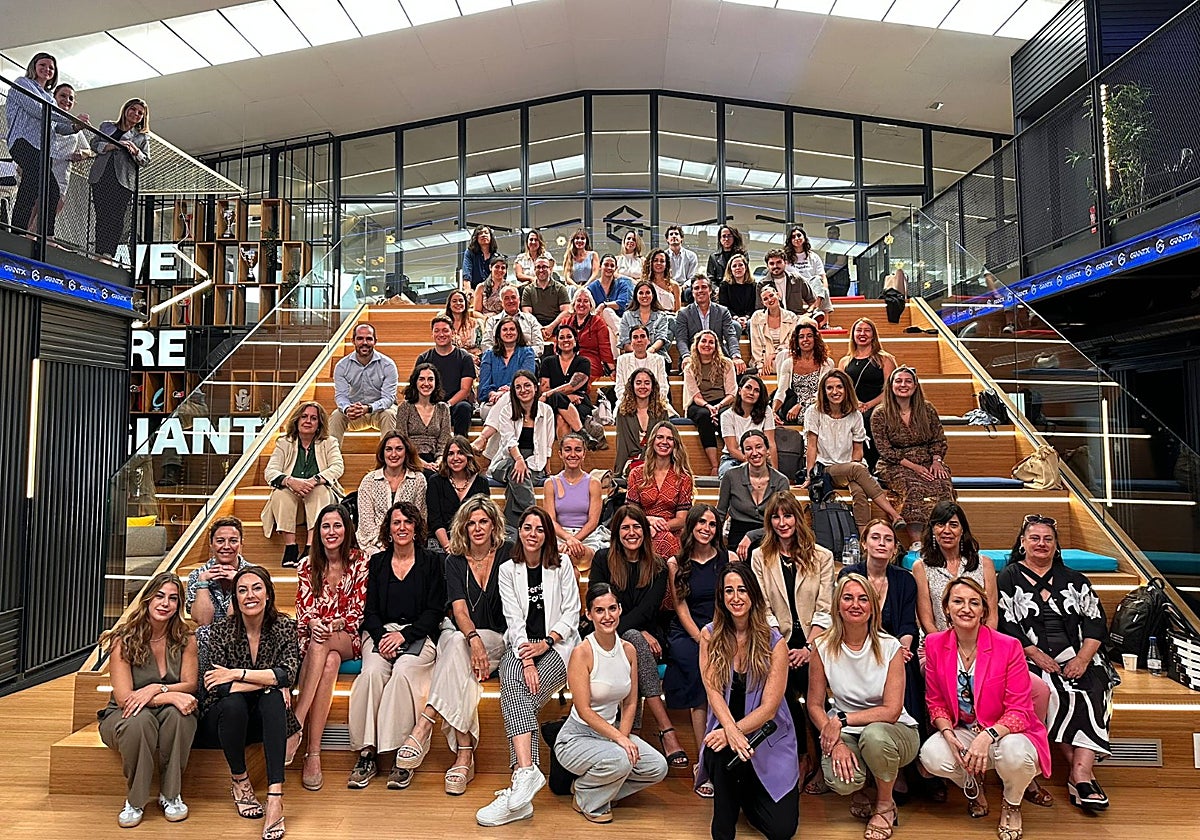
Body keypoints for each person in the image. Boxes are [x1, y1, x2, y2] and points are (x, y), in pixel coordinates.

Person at [920, 577, 1051, 840]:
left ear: (983, 610)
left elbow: (1020, 710)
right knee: (932, 755)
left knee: (1015, 754)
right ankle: (973, 785)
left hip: (1006, 731)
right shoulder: (934, 644)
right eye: (958, 601)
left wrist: (987, 736)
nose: (966, 608)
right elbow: (935, 702)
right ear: (946, 608)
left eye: (974, 603)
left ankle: (1012, 804)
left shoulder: (1008, 646)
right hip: (964, 729)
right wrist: (948, 733)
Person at [997, 514, 1113, 812]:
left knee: (1094, 688)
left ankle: (1080, 773)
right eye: (1034, 538)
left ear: (1056, 544)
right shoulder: (1008, 577)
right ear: (1022, 543)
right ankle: (1082, 775)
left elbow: (1096, 622)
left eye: (1048, 539)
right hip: (1029, 656)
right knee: (1052, 693)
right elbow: (1005, 625)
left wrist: (1083, 659)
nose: (1041, 544)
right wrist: (1035, 654)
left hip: (1080, 655)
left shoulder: (1076, 579)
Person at [477, 506, 581, 827]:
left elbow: (572, 613)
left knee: (516, 696)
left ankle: (521, 781)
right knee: (514, 684)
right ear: (519, 531)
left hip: (558, 645)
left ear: (547, 534)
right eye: (527, 527)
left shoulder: (562, 564)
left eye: (539, 529)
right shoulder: (508, 569)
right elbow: (513, 618)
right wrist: (526, 659)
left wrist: (545, 644)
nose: (532, 534)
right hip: (522, 644)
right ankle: (525, 778)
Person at [808, 574, 920, 840]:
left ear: (872, 607)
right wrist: (836, 742)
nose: (855, 605)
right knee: (840, 780)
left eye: (863, 599)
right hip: (847, 731)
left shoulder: (891, 646)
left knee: (874, 735)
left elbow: (891, 711)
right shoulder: (821, 647)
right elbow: (814, 704)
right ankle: (861, 788)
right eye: (848, 598)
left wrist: (841, 720)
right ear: (837, 605)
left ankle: (885, 805)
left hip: (895, 730)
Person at [411, 496, 510, 795]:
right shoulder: (454, 561)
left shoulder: (508, 554)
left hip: (498, 638)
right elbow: (459, 611)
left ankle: (426, 721)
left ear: (493, 525)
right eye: (471, 523)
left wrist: (477, 640)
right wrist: (473, 639)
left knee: (455, 651)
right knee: (456, 647)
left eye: (483, 522)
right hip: (465, 637)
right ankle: (464, 754)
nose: (477, 528)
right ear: (463, 528)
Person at [695, 562, 800, 840]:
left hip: (767, 736)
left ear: (753, 594)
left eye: (742, 590)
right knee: (718, 747)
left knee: (782, 830)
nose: (736, 597)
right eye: (728, 591)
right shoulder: (709, 635)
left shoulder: (775, 642)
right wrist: (729, 731)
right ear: (721, 597)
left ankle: (743, 793)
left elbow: (769, 709)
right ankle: (723, 828)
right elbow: (712, 691)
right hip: (727, 730)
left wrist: (733, 731)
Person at [347, 502, 446, 790]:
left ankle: (403, 755)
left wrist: (404, 636)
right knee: (371, 674)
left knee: (403, 672)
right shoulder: (377, 563)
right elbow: (370, 611)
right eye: (396, 522)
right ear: (388, 529)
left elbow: (434, 611)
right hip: (380, 633)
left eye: (407, 522)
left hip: (418, 634)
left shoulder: (432, 562)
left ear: (416, 528)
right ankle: (367, 753)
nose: (402, 527)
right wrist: (382, 637)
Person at [199, 566, 300, 840]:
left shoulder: (284, 626)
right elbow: (216, 685)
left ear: (268, 594)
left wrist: (236, 674)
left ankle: (275, 797)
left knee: (273, 699)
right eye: (242, 590)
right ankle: (240, 780)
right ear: (235, 598)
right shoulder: (221, 630)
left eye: (256, 588)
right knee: (235, 702)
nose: (250, 595)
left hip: (263, 719)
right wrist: (269, 681)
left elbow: (288, 674)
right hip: (223, 720)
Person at [556, 582, 669, 822]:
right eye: (599, 610)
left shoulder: (629, 650)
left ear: (619, 610)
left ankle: (596, 789)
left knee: (657, 767)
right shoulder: (582, 652)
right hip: (577, 737)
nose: (607, 616)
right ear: (589, 614)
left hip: (612, 731)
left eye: (612, 608)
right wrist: (619, 741)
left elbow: (630, 702)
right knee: (621, 759)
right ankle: (589, 799)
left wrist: (623, 737)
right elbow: (584, 710)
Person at [97, 572, 198, 828]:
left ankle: (171, 795)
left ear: (179, 604)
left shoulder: (186, 639)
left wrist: (155, 689)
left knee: (180, 716)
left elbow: (190, 684)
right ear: (148, 599)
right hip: (124, 714)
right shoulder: (124, 640)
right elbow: (125, 699)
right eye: (159, 596)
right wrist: (170, 694)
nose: (165, 603)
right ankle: (135, 800)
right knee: (139, 723)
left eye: (173, 598)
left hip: (166, 710)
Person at [751, 490, 834, 795]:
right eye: (776, 517)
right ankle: (800, 758)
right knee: (781, 694)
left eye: (787, 515)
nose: (782, 522)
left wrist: (809, 648)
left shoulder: (822, 556)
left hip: (816, 642)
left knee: (816, 696)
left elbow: (825, 608)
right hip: (778, 643)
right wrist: (782, 649)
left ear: (798, 518)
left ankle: (823, 761)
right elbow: (763, 608)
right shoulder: (760, 556)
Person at [590, 506, 681, 766]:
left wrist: (636, 631)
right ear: (617, 533)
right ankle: (664, 729)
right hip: (605, 636)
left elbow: (648, 610)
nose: (631, 533)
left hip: (647, 636)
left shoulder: (658, 566)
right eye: (625, 528)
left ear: (645, 531)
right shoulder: (602, 559)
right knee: (634, 638)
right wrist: (637, 631)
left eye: (637, 527)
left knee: (633, 643)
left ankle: (631, 734)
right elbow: (599, 603)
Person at [290, 504, 368, 791]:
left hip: (347, 636)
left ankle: (296, 722)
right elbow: (303, 610)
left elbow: (358, 611)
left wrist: (333, 624)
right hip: (315, 638)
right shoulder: (305, 565)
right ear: (318, 532)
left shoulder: (360, 561)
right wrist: (314, 623)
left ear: (347, 529)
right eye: (325, 526)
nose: (331, 532)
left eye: (337, 525)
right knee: (330, 661)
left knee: (324, 643)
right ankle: (313, 754)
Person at [840, 520, 923, 780]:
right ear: (864, 543)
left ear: (895, 548)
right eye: (875, 538)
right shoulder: (849, 575)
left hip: (895, 649)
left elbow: (908, 624)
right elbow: (844, 618)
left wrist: (902, 649)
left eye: (888, 539)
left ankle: (904, 763)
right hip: (857, 648)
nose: (881, 543)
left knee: (909, 671)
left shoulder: (905, 580)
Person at [665, 504, 735, 795]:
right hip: (689, 632)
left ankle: (730, 753)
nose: (707, 529)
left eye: (712, 524)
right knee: (699, 672)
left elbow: (732, 602)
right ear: (691, 526)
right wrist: (701, 638)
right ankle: (703, 762)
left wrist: (719, 635)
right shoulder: (676, 563)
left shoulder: (728, 559)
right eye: (701, 523)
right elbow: (680, 607)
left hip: (724, 629)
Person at [804, 369, 904, 530]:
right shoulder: (814, 412)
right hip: (826, 469)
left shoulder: (855, 415)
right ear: (823, 391)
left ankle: (863, 539)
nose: (835, 392)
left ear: (846, 389)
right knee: (857, 470)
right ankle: (894, 514)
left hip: (852, 467)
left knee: (859, 491)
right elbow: (811, 446)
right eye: (829, 388)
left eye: (839, 387)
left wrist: (851, 469)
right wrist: (810, 476)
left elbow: (858, 451)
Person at [871, 367, 954, 549]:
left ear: (915, 386)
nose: (903, 385)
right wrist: (914, 467)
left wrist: (936, 461)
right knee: (913, 487)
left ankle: (941, 540)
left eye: (908, 381)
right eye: (898, 381)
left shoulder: (927, 409)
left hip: (927, 460)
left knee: (942, 485)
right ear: (891, 385)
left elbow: (938, 439)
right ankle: (916, 542)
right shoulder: (880, 413)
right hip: (894, 463)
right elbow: (885, 449)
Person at [5, 53, 87, 236]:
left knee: (47, 191)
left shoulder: (50, 97)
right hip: (23, 141)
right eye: (43, 65)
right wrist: (72, 119)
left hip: (43, 149)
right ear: (33, 66)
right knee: (36, 185)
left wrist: (75, 127)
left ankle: (33, 234)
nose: (47, 69)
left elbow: (57, 126)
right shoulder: (22, 83)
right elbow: (38, 110)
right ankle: (19, 231)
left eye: (51, 67)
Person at [261, 400, 343, 568]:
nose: (308, 421)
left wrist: (314, 480)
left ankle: (311, 547)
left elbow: (337, 467)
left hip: (319, 500)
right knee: (281, 493)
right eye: (304, 417)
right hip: (294, 505)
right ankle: (290, 548)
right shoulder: (284, 442)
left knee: (319, 490)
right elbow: (270, 471)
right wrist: (290, 481)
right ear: (297, 420)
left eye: (314, 418)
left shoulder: (329, 442)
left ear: (319, 423)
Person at [477, 370, 555, 529]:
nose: (523, 390)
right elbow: (509, 440)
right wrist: (519, 460)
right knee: (517, 471)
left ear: (535, 387)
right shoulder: (507, 411)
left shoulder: (546, 411)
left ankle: (511, 529)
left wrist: (547, 469)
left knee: (517, 479)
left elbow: (548, 444)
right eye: (518, 387)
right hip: (506, 461)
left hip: (534, 462)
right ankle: (534, 517)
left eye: (527, 385)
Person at [912, 501, 999, 638]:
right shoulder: (921, 567)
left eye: (953, 525)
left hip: (981, 642)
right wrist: (946, 645)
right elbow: (926, 621)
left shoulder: (985, 564)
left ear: (962, 530)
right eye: (941, 524)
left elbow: (992, 617)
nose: (947, 530)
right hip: (939, 642)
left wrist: (977, 645)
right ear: (933, 529)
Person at [90, 97, 150, 257]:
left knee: (116, 217)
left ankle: (108, 253)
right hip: (101, 175)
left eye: (140, 113)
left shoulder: (142, 137)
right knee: (102, 215)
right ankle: (99, 252)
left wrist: (135, 151)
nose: (136, 114)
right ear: (125, 109)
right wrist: (112, 146)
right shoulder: (106, 126)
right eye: (133, 109)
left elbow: (146, 161)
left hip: (123, 181)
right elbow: (94, 144)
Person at [626, 421, 694, 559]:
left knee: (664, 538)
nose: (664, 442)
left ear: (675, 444)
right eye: (660, 437)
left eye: (670, 439)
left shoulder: (683, 477)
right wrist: (648, 522)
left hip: (672, 530)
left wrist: (658, 527)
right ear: (653, 441)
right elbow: (630, 513)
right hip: (640, 527)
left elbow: (682, 520)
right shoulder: (636, 473)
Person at [838, 318, 898, 473]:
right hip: (852, 405)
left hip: (878, 406)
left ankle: (873, 467)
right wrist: (856, 403)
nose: (862, 334)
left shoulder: (885, 359)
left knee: (868, 418)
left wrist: (869, 405)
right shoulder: (845, 361)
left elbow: (890, 389)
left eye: (867, 330)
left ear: (873, 335)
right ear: (853, 335)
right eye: (859, 330)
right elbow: (840, 388)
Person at [718, 430, 790, 556]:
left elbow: (783, 519)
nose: (755, 453)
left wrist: (751, 536)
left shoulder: (781, 481)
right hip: (737, 535)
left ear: (767, 450)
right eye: (748, 449)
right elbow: (720, 513)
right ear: (744, 453)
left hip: (770, 534)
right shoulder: (730, 476)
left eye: (759, 447)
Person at [355, 432, 428, 555]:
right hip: (374, 545)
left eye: (399, 449)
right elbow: (366, 526)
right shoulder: (369, 481)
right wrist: (384, 546)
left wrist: (401, 543)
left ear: (406, 452)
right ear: (382, 453)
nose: (393, 454)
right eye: (389, 449)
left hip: (408, 543)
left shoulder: (418, 479)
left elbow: (420, 519)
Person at [544, 433, 608, 568]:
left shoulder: (594, 483)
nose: (573, 454)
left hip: (586, 538)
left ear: (584, 454)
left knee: (571, 557)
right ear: (560, 454)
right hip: (559, 538)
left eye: (578, 450)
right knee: (563, 559)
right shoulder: (550, 483)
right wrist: (568, 539)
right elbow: (551, 520)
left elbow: (593, 522)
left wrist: (574, 541)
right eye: (568, 450)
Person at [36, 83, 92, 236]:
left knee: (56, 206)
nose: (67, 100)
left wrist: (81, 153)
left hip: (62, 172)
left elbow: (88, 150)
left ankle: (43, 238)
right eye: (63, 96)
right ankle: (27, 238)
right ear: (54, 97)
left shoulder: (74, 124)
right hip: (44, 166)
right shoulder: (47, 116)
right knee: (36, 206)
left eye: (71, 98)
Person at [328, 323, 399, 443]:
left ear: (375, 341)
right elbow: (341, 396)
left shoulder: (388, 365)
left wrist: (369, 408)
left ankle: (388, 454)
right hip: (354, 413)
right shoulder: (342, 366)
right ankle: (331, 454)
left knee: (390, 414)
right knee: (336, 416)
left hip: (379, 412)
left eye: (369, 339)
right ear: (353, 341)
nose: (364, 342)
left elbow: (388, 398)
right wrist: (347, 409)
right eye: (360, 338)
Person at [539, 324, 605, 449]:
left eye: (569, 337)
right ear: (557, 341)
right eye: (562, 337)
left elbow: (572, 386)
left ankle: (566, 456)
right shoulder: (548, 362)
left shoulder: (583, 362)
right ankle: (582, 434)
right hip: (553, 403)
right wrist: (566, 397)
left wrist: (549, 394)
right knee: (557, 398)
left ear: (575, 340)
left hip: (579, 402)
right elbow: (544, 388)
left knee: (561, 418)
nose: (565, 340)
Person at [684, 329, 739, 475]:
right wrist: (709, 407)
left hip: (724, 402)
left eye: (711, 342)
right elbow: (695, 396)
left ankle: (732, 457)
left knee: (725, 415)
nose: (707, 345)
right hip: (700, 403)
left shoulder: (726, 363)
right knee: (704, 416)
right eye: (703, 341)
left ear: (716, 346)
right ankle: (714, 465)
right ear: (697, 344)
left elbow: (732, 393)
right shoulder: (690, 367)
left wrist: (718, 406)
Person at [425, 436, 491, 556]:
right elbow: (435, 520)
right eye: (451, 454)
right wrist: (447, 546)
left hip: (474, 540)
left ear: (468, 456)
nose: (455, 458)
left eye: (460, 453)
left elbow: (484, 517)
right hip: (442, 542)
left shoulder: (481, 482)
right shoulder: (435, 481)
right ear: (445, 457)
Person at [416, 315, 477, 437]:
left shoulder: (464, 358)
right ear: (432, 334)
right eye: (437, 331)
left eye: (445, 330)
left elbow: (465, 390)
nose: (441, 334)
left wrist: (446, 405)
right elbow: (418, 386)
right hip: (431, 404)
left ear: (453, 333)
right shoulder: (424, 358)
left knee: (464, 408)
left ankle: (460, 444)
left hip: (455, 404)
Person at [187, 516, 251, 627]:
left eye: (233, 541)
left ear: (241, 544)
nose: (226, 546)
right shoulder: (196, 575)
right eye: (220, 541)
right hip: (208, 636)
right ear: (211, 544)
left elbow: (236, 621)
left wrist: (239, 581)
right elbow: (203, 621)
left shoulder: (254, 575)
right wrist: (202, 583)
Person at [675, 275, 745, 374]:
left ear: (710, 290)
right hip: (693, 357)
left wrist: (736, 356)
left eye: (704, 287)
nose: (700, 290)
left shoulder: (723, 311)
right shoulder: (683, 314)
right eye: (696, 288)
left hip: (718, 356)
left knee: (738, 369)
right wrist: (686, 356)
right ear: (693, 292)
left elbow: (730, 336)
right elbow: (681, 339)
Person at [477, 315, 537, 425]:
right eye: (504, 330)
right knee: (489, 411)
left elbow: (526, 380)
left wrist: (505, 392)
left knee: (508, 410)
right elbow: (483, 386)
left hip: (519, 400)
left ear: (518, 332)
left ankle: (488, 434)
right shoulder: (489, 355)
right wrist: (492, 394)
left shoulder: (527, 353)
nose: (508, 332)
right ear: (499, 334)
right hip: (492, 402)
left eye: (512, 329)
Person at [773, 318, 835, 424]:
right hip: (792, 405)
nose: (805, 339)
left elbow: (823, 392)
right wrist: (773, 411)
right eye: (801, 337)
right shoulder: (788, 363)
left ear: (815, 339)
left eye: (809, 336)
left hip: (818, 403)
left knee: (811, 413)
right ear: (797, 341)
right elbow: (782, 391)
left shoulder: (827, 363)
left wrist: (801, 405)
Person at [613, 368, 671, 477]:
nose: (643, 386)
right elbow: (622, 445)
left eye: (647, 383)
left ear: (652, 387)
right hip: (632, 463)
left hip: (656, 461)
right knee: (638, 473)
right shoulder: (623, 412)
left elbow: (666, 442)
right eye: (638, 383)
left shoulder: (661, 411)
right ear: (632, 386)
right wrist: (617, 473)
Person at [394, 363, 451, 469]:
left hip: (435, 460)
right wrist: (423, 464)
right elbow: (402, 441)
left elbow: (444, 441)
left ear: (436, 383)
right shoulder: (405, 407)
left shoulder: (443, 408)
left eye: (430, 379)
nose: (426, 383)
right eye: (421, 379)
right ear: (415, 382)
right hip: (411, 459)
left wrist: (439, 461)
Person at [720, 374, 778, 477]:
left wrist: (774, 474)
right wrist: (751, 461)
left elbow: (771, 444)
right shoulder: (727, 415)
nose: (751, 393)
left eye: (756, 390)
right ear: (739, 390)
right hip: (733, 458)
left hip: (760, 457)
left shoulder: (766, 411)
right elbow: (732, 449)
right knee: (728, 474)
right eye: (748, 388)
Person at [749, 282, 801, 377]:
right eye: (765, 299)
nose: (770, 300)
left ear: (778, 295)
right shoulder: (757, 317)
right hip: (764, 361)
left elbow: (790, 343)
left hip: (785, 357)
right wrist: (760, 366)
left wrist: (774, 355)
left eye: (771, 295)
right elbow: (756, 345)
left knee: (785, 355)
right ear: (763, 303)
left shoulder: (791, 317)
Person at [588, 253, 636, 356]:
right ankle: (622, 338)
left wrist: (603, 305)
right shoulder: (592, 287)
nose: (609, 268)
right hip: (599, 323)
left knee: (610, 329)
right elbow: (591, 310)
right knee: (607, 313)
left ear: (616, 268)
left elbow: (622, 303)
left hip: (621, 321)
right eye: (606, 265)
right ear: (600, 266)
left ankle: (615, 361)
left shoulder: (622, 284)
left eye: (612, 265)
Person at [564, 287, 615, 381]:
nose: (581, 304)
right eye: (579, 300)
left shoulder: (598, 322)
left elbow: (605, 347)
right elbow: (557, 345)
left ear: (591, 305)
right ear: (574, 304)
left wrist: (612, 369)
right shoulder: (566, 322)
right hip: (567, 358)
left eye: (586, 301)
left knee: (581, 370)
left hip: (590, 361)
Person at [785, 226, 833, 325]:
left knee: (821, 286)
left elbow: (822, 276)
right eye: (793, 237)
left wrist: (825, 290)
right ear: (790, 240)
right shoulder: (786, 258)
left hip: (812, 286)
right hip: (795, 285)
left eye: (799, 235)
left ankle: (815, 310)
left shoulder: (813, 256)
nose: (796, 238)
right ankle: (818, 315)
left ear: (804, 237)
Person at [614, 324, 670, 406]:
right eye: (635, 337)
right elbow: (619, 388)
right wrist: (635, 403)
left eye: (643, 336)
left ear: (648, 340)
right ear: (631, 342)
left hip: (655, 403)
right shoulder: (622, 360)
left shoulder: (659, 360)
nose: (639, 340)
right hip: (628, 403)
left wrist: (649, 403)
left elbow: (663, 387)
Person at [483, 283, 546, 355]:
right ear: (501, 302)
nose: (511, 301)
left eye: (513, 297)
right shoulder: (492, 321)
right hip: (499, 358)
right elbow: (486, 345)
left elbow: (539, 346)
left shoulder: (531, 319)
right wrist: (503, 356)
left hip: (526, 359)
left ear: (519, 300)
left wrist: (520, 356)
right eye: (506, 298)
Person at [762, 248, 821, 324]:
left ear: (785, 263)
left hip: (798, 319)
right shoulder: (762, 284)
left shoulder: (797, 280)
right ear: (767, 266)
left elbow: (812, 301)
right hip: (774, 321)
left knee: (811, 322)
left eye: (779, 262)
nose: (775, 266)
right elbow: (760, 309)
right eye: (771, 263)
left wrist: (807, 314)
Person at [618, 279, 672, 361]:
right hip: (633, 357)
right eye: (641, 293)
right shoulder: (627, 316)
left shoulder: (662, 316)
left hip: (656, 356)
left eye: (647, 293)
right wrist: (639, 354)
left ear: (653, 295)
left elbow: (661, 339)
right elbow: (624, 342)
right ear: (636, 295)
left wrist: (649, 352)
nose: (644, 296)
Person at [520, 254, 571, 328]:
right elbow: (527, 313)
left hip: (556, 325)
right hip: (534, 325)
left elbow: (566, 311)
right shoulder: (528, 290)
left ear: (550, 269)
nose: (541, 270)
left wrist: (551, 327)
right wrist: (539, 328)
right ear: (534, 269)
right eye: (538, 267)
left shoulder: (560, 288)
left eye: (544, 267)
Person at [443, 289, 485, 369]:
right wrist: (466, 356)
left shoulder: (475, 324)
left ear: (465, 304)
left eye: (461, 301)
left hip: (474, 362)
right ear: (449, 305)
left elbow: (480, 347)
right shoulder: (444, 325)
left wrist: (472, 358)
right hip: (450, 361)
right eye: (454, 301)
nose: (458, 303)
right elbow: (443, 347)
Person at [718, 253, 758, 333]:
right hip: (731, 318)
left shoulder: (753, 285)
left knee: (751, 324)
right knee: (735, 325)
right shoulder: (724, 285)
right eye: (734, 266)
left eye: (740, 265)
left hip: (748, 318)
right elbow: (724, 306)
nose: (737, 268)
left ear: (745, 267)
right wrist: (736, 318)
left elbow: (753, 306)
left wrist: (746, 318)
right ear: (730, 270)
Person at [705, 224, 746, 289]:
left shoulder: (742, 255)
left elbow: (745, 274)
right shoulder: (713, 257)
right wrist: (716, 289)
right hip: (719, 290)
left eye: (729, 236)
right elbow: (710, 278)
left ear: (734, 237)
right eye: (724, 236)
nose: (726, 239)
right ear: (720, 239)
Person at [644, 246, 683, 312]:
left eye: (662, 261)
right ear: (650, 263)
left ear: (666, 264)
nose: (659, 263)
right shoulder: (644, 284)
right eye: (655, 260)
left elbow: (678, 312)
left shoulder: (674, 286)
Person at [664, 225, 698, 300]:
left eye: (676, 234)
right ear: (667, 239)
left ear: (681, 238)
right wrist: (673, 286)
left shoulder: (691, 256)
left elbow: (692, 277)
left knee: (690, 292)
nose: (674, 236)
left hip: (685, 287)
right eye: (671, 234)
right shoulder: (663, 256)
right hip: (669, 286)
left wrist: (684, 286)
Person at [461, 224, 498, 290]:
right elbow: (467, 273)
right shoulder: (470, 253)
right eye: (480, 233)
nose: (483, 235)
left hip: (491, 290)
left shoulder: (496, 256)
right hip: (474, 289)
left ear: (491, 237)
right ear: (476, 237)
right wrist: (468, 291)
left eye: (486, 233)